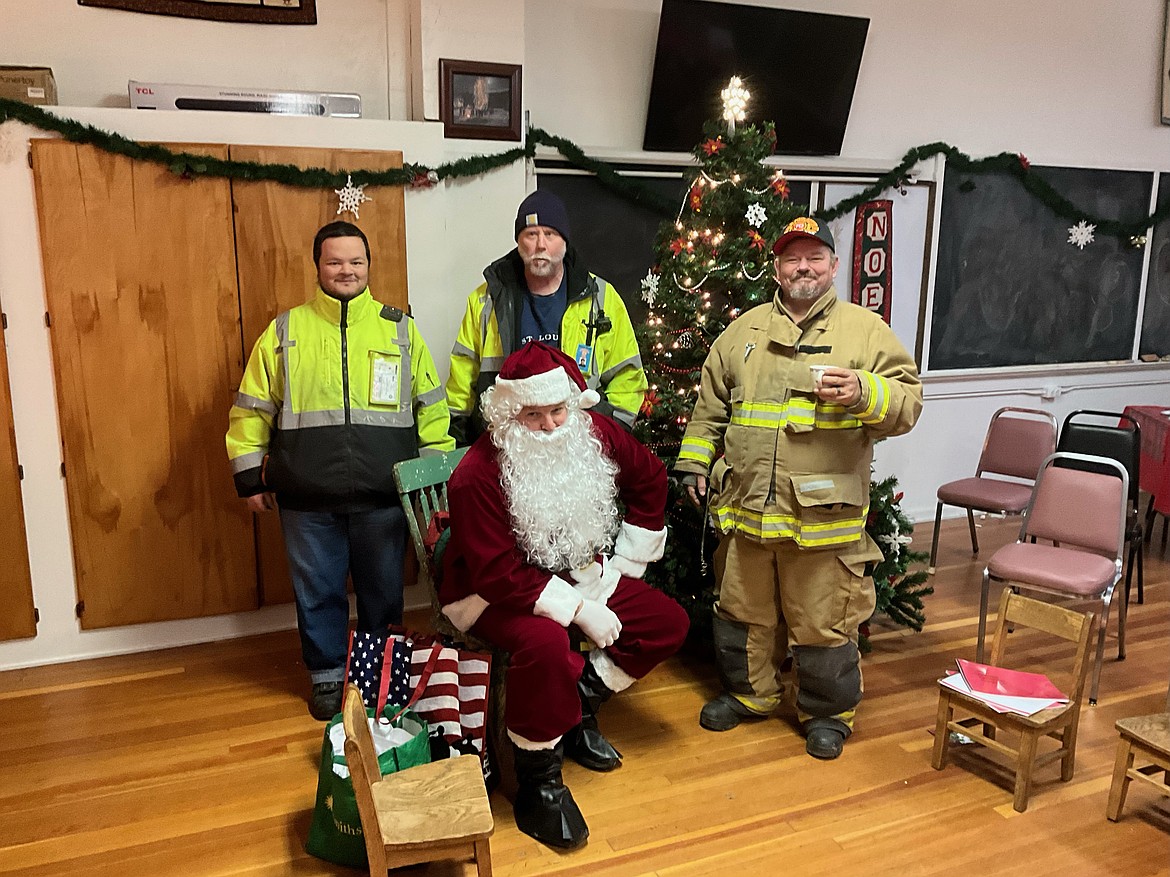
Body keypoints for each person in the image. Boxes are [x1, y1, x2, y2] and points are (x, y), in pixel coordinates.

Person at [674, 216, 922, 760]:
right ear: (777, 267)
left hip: (823, 519)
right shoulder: (742, 333)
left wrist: (864, 391)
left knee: (823, 620)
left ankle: (828, 714)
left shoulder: (865, 332)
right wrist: (694, 464)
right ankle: (749, 694)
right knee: (742, 611)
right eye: (792, 258)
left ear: (834, 266)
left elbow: (908, 404)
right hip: (745, 509)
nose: (803, 267)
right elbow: (710, 409)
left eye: (815, 257)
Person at [439, 341, 689, 849]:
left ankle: (575, 706)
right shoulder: (477, 474)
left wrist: (626, 564)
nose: (552, 426)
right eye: (534, 415)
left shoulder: (591, 432)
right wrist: (578, 612)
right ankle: (539, 783)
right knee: (547, 645)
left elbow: (650, 478)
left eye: (558, 410)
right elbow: (496, 574)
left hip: (580, 572)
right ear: (510, 415)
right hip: (492, 593)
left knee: (667, 623)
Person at [226, 220, 453, 720]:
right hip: (306, 498)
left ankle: (380, 676)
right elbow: (251, 409)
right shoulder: (285, 331)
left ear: (369, 266)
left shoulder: (399, 328)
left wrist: (433, 482)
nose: (345, 270)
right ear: (318, 267)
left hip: (383, 495)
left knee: (382, 595)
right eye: (334, 261)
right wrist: (248, 477)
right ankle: (327, 678)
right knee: (318, 593)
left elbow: (431, 409)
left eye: (355, 261)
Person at [446, 189, 647, 445]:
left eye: (550, 234)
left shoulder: (602, 298)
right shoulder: (485, 301)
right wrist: (457, 441)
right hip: (505, 445)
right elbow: (462, 379)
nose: (540, 245)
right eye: (531, 234)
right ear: (519, 242)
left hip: (578, 447)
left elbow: (628, 376)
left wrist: (608, 435)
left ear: (564, 242)